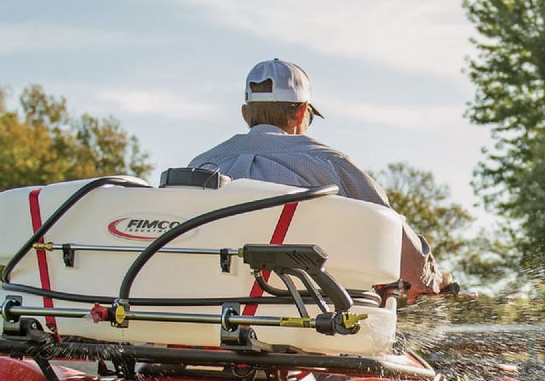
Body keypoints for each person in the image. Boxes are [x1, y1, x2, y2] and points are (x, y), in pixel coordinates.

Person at [188, 59, 453, 299]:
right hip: (310, 316)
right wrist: (430, 280)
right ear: (302, 112)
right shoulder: (331, 164)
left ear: (246, 114)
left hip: (208, 312)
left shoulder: (199, 167)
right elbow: (394, 232)